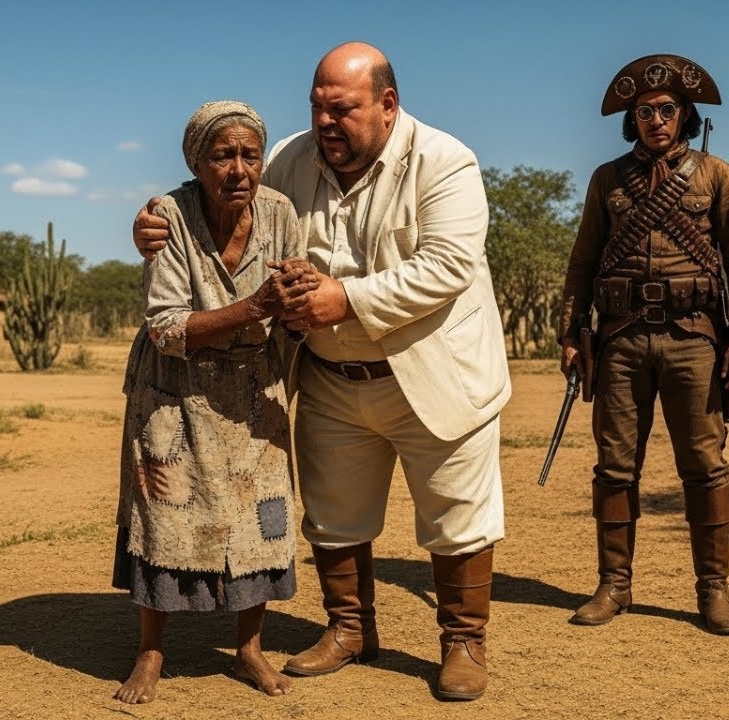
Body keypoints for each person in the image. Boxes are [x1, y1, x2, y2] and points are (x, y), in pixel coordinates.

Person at [132, 42, 510, 701]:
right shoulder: (292, 158)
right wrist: (154, 224)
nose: (325, 123)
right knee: (335, 515)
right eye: (316, 108)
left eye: (342, 109)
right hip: (333, 375)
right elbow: (226, 202)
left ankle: (462, 642)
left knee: (458, 515)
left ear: (388, 104)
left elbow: (448, 266)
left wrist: (346, 299)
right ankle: (349, 628)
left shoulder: (444, 161)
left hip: (434, 372)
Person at [113, 100, 318, 704]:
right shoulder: (168, 217)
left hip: (254, 391)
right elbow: (165, 327)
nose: (238, 170)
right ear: (196, 164)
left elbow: (294, 317)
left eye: (250, 155)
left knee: (262, 517)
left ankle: (249, 650)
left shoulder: (279, 212)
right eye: (222, 156)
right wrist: (256, 305)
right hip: (173, 391)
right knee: (164, 513)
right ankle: (150, 653)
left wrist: (298, 299)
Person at [557, 54, 729, 635]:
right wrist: (570, 334)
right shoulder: (607, 179)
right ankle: (614, 586)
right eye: (644, 112)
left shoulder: (716, 175)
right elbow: (582, 263)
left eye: (666, 109)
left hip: (694, 338)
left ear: (685, 113)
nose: (656, 120)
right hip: (620, 341)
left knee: (704, 464)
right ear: (632, 119)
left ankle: (713, 590)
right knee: (614, 467)